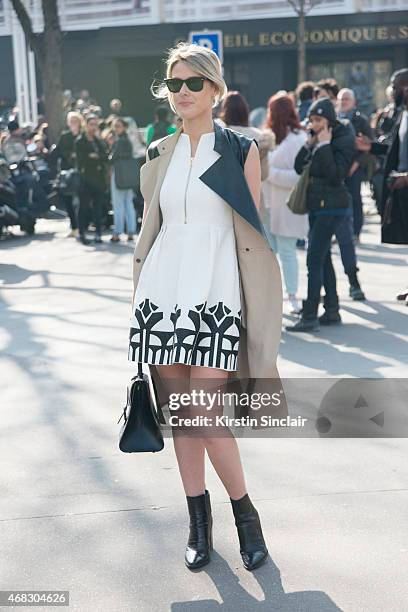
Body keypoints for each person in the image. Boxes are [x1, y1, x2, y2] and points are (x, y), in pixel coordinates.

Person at [128, 41, 285, 571]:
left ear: (215, 89)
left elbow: (252, 236)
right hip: (162, 294)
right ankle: (198, 522)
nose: (182, 93)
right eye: (174, 84)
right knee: (181, 418)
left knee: (204, 411)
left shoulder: (242, 151)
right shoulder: (158, 155)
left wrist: (257, 305)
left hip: (217, 294)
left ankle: (246, 514)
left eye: (193, 83)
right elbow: (153, 229)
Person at [286, 97, 356, 332]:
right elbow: (298, 167)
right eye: (312, 120)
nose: (314, 124)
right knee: (322, 257)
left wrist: (324, 146)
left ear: (329, 120)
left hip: (333, 206)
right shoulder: (315, 138)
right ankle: (332, 310)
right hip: (317, 205)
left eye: (318, 120)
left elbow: (337, 174)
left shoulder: (343, 137)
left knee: (314, 258)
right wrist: (310, 145)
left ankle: (309, 316)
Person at [262, 94, 308, 314]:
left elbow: (299, 177)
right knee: (269, 254)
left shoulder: (298, 139)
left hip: (288, 206)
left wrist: (269, 173)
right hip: (268, 206)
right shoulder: (269, 137)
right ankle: (274, 296)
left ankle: (292, 296)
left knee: (287, 252)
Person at [337, 88, 374, 240]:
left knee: (355, 199)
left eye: (347, 99)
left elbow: (369, 145)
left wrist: (356, 164)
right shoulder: (335, 118)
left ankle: (356, 231)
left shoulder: (361, 120)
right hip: (338, 166)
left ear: (353, 102)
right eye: (342, 99)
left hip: (355, 167)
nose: (344, 102)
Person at [75, 114, 108, 245]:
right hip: (85, 179)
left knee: (98, 207)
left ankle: (98, 233)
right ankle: (81, 232)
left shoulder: (98, 141)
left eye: (96, 124)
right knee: (83, 207)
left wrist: (95, 156)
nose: (94, 127)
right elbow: (80, 160)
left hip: (98, 179)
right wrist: (92, 157)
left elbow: (105, 156)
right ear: (86, 125)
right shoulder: (80, 141)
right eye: (91, 124)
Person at [53, 111, 84, 238]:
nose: (73, 124)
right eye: (71, 121)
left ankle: (81, 227)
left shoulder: (83, 136)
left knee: (81, 202)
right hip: (67, 174)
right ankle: (74, 227)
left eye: (75, 121)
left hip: (81, 172)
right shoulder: (64, 136)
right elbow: (57, 152)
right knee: (68, 200)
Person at [108, 118, 137, 242]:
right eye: (115, 126)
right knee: (128, 203)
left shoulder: (119, 141)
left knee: (118, 204)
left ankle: (118, 232)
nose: (116, 128)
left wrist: (110, 150)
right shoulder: (128, 140)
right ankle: (131, 231)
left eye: (118, 126)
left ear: (124, 127)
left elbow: (112, 158)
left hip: (119, 174)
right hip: (128, 175)